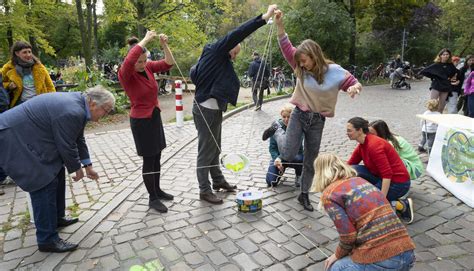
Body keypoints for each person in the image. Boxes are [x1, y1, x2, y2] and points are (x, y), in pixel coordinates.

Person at [263, 10, 362, 211]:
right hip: (299, 115)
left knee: (311, 160)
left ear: (315, 56)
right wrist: (279, 22)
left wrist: (354, 88)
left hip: (318, 120)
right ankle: (277, 128)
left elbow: (353, 82)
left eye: (304, 61)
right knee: (289, 153)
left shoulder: (335, 71)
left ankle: (304, 194)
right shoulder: (299, 67)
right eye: (299, 61)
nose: (301, 65)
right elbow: (284, 43)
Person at [0, 86, 115, 252]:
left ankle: (57, 218)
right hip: (12, 136)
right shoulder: (73, 111)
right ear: (92, 102)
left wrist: (87, 165)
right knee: (43, 181)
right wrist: (77, 168)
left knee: (56, 170)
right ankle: (47, 239)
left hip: (26, 134)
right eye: (106, 110)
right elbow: (66, 145)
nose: (105, 115)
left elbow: (78, 138)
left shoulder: (79, 106)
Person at [190, 5, 277, 204]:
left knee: (215, 148)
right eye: (234, 54)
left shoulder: (215, 57)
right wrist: (264, 18)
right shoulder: (216, 50)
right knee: (206, 150)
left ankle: (218, 181)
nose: (235, 58)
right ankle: (204, 190)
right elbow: (238, 32)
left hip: (213, 108)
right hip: (205, 109)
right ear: (228, 47)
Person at [311, 153, 416, 271]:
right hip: (407, 252)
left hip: (384, 259)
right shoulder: (359, 180)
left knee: (334, 267)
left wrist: (336, 255)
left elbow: (348, 237)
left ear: (319, 173)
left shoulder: (330, 195)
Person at [118, 31, 175, 213]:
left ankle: (157, 190)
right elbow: (129, 60)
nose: (142, 65)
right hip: (141, 121)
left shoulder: (148, 67)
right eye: (139, 62)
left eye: (144, 60)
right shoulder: (126, 74)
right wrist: (145, 40)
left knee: (157, 156)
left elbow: (168, 63)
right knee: (149, 160)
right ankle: (152, 198)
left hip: (154, 116)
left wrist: (164, 44)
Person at [346, 117, 414, 223]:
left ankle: (402, 205)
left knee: (368, 201)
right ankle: (382, 199)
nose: (347, 133)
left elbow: (387, 175)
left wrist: (380, 198)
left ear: (359, 130)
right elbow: (349, 165)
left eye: (349, 130)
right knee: (353, 170)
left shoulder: (374, 145)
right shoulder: (362, 144)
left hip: (398, 183)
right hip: (381, 177)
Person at [2, 41, 55, 108]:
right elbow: (1, 83)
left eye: (29, 52)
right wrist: (9, 85)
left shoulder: (39, 67)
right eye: (25, 52)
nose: (28, 55)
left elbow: (50, 86)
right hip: (19, 105)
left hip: (39, 103)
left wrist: (52, 103)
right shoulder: (8, 67)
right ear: (17, 53)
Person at [265, 105, 303, 187]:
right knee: (270, 181)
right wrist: (276, 160)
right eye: (284, 117)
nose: (286, 119)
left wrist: (280, 158)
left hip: (295, 157)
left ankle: (299, 174)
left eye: (289, 117)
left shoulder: (298, 127)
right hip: (279, 159)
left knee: (300, 158)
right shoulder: (276, 127)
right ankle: (280, 170)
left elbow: (295, 148)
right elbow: (272, 148)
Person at [420, 48, 459, 113]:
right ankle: (429, 121)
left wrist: (451, 78)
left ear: (449, 56)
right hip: (436, 85)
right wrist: (434, 77)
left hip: (446, 86)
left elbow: (455, 72)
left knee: (441, 107)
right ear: (440, 55)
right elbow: (423, 71)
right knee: (432, 104)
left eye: (447, 54)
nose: (445, 56)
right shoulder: (436, 64)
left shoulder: (451, 65)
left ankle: (437, 122)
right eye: (444, 54)